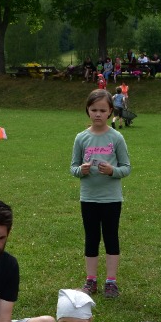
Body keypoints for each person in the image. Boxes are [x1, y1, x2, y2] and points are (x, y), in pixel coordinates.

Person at [69, 90, 131, 298]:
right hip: (89, 198)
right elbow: (73, 167)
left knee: (111, 237)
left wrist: (113, 171)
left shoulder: (116, 137)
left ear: (110, 111)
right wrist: (81, 170)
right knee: (91, 238)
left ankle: (111, 282)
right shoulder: (81, 138)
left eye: (103, 110)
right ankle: (91, 280)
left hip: (111, 198)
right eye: (94, 109)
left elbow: (126, 167)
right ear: (87, 110)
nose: (98, 114)